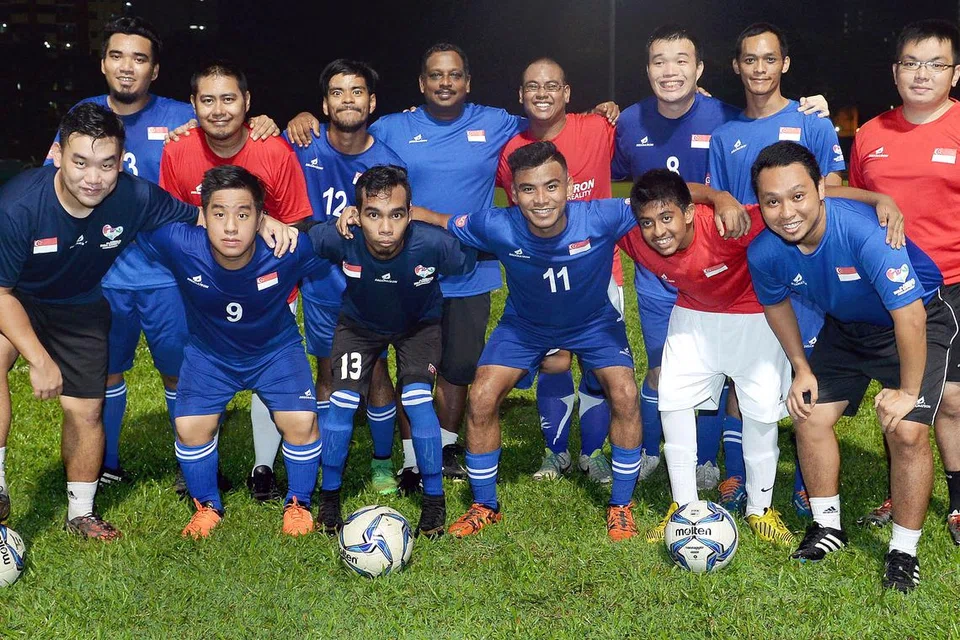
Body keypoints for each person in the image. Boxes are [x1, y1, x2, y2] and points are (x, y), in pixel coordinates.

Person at [288, 43, 618, 487]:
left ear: (467, 82)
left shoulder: (496, 122)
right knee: (412, 367)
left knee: (458, 368)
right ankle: (410, 458)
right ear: (422, 83)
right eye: (436, 75)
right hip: (405, 269)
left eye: (455, 75)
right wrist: (302, 118)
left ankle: (442, 450)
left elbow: (544, 115)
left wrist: (599, 114)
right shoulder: (393, 126)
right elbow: (348, 129)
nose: (445, 83)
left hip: (469, 271)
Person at [0, 103, 296, 538]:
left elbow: (201, 215)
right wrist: (39, 360)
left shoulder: (134, 197)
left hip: (78, 305)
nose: (93, 177)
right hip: (16, 297)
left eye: (106, 164)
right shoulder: (18, 205)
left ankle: (80, 513)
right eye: (80, 162)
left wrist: (263, 219)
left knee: (87, 409)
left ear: (121, 162)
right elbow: (2, 294)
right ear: (58, 155)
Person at [31, 18, 278, 491]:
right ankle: (106, 463)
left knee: (181, 375)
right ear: (103, 63)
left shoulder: (183, 118)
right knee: (105, 373)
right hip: (101, 277)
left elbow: (231, 141)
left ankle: (194, 465)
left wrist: (263, 122)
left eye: (139, 58)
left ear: (155, 69)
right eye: (117, 56)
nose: (127, 67)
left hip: (169, 276)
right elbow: (52, 182)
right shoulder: (81, 115)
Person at [380, 141, 648, 541]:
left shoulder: (601, 215)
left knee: (625, 393)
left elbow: (664, 199)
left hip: (593, 324)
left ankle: (621, 505)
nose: (541, 200)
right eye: (528, 189)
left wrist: (719, 199)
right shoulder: (497, 224)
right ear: (512, 194)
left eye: (551, 186)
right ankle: (485, 505)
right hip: (525, 326)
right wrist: (402, 214)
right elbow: (443, 220)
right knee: (482, 396)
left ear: (569, 185)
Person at [613, 25, 831, 509]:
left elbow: (819, 178)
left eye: (681, 60)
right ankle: (666, 456)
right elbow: (633, 187)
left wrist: (813, 110)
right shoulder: (629, 122)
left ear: (701, 69)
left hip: (746, 267)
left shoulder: (729, 116)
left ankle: (736, 467)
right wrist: (602, 112)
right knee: (673, 374)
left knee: (761, 375)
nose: (670, 70)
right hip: (671, 267)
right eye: (659, 61)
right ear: (646, 69)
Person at [747, 141, 958, 592]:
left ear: (821, 190)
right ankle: (828, 526)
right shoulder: (765, 251)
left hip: (915, 320)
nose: (787, 212)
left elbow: (910, 317)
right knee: (808, 414)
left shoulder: (864, 233)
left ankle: (903, 550)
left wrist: (907, 392)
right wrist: (801, 368)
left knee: (906, 430)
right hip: (846, 328)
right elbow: (775, 305)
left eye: (798, 196)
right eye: (772, 201)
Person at [137, 165, 323, 539]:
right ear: (203, 215)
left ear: (260, 217)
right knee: (190, 427)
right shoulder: (179, 243)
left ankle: (298, 503)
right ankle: (207, 506)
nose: (231, 227)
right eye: (219, 214)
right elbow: (132, 212)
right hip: (210, 356)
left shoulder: (286, 248)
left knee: (301, 421)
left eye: (243, 214)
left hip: (275, 352)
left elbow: (336, 240)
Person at [706, 22, 846, 515]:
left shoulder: (812, 122)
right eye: (750, 59)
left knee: (808, 369)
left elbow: (833, 188)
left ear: (784, 63)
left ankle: (807, 480)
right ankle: (736, 471)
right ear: (736, 66)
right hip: (751, 273)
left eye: (769, 59)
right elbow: (722, 205)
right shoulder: (724, 136)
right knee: (743, 374)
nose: (760, 68)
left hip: (809, 268)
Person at [159, 61, 313, 502]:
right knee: (204, 369)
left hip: (269, 288)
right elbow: (170, 218)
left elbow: (299, 220)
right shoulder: (178, 150)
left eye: (228, 99)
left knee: (274, 378)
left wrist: (265, 223)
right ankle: (200, 476)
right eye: (207, 100)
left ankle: (263, 466)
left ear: (247, 102)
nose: (219, 109)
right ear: (193, 105)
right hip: (208, 288)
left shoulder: (273, 150)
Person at [618, 169, 794, 546]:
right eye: (648, 222)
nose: (658, 231)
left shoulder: (727, 225)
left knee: (762, 413)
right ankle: (683, 507)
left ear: (687, 213)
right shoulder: (633, 232)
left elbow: (794, 211)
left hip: (753, 317)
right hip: (693, 316)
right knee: (673, 402)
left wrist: (719, 198)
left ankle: (760, 509)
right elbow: (580, 214)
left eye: (667, 218)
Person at [314, 165, 477, 538]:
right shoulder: (341, 237)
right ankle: (330, 499)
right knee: (342, 402)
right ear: (356, 214)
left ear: (410, 213)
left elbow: (477, 250)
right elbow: (297, 235)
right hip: (358, 328)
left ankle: (433, 503)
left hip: (418, 328)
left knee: (418, 401)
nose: (386, 227)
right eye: (373, 215)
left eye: (397, 215)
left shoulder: (433, 244)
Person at [849, 18, 960, 544]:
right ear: (895, 71)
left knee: (953, 400)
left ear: (954, 73)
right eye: (912, 63)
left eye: (935, 64)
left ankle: (957, 501)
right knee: (898, 392)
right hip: (891, 289)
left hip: (953, 285)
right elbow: (855, 204)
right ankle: (903, 488)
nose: (922, 74)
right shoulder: (871, 134)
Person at [495, 57, 620, 485]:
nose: (542, 93)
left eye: (552, 85)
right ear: (520, 95)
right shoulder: (511, 149)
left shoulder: (599, 127)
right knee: (554, 362)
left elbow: (655, 126)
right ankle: (556, 451)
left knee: (597, 366)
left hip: (599, 271)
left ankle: (593, 453)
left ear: (567, 92)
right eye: (533, 86)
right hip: (542, 272)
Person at [285, 59, 406, 496]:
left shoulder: (388, 162)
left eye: (357, 92)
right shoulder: (303, 144)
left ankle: (382, 461)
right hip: (320, 282)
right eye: (337, 92)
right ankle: (326, 457)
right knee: (328, 371)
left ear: (371, 103)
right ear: (324, 104)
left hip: (371, 285)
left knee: (375, 370)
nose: (347, 100)